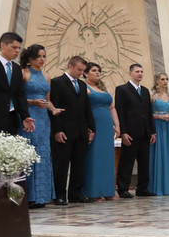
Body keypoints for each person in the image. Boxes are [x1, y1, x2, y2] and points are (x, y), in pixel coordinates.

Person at [48, 56, 95, 205]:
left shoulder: (81, 85)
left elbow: (86, 107)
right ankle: (59, 194)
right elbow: (53, 107)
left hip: (81, 131)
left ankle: (76, 193)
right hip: (64, 130)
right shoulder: (57, 82)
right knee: (61, 164)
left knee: (79, 163)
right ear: (70, 66)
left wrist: (91, 128)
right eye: (79, 70)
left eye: (83, 70)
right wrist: (57, 130)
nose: (81, 73)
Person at [20, 45, 58, 208]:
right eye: (38, 56)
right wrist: (32, 102)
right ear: (29, 58)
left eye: (44, 56)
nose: (42, 59)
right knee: (29, 153)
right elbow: (18, 97)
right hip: (28, 115)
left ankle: (42, 196)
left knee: (42, 154)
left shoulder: (47, 75)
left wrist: (54, 109)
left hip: (43, 119)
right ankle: (29, 196)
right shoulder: (23, 73)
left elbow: (47, 100)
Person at [0, 32, 35, 135]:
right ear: (3, 45)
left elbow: (20, 94)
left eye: (19, 48)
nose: (17, 51)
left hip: (12, 118)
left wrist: (25, 116)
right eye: (14, 47)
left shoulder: (17, 68)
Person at [114, 63, 156, 198]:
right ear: (130, 73)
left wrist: (152, 131)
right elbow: (120, 111)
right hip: (130, 132)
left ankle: (143, 188)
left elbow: (149, 112)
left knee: (144, 162)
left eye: (142, 71)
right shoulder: (122, 89)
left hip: (144, 131)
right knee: (127, 161)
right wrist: (123, 132)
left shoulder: (144, 90)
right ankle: (123, 188)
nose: (140, 74)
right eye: (137, 71)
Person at [82, 62, 119, 201]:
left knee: (107, 158)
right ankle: (93, 191)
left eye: (99, 70)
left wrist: (117, 125)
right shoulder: (83, 87)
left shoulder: (102, 88)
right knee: (94, 157)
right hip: (94, 125)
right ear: (85, 73)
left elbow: (112, 107)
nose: (98, 73)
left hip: (107, 126)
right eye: (94, 70)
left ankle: (108, 190)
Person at [148, 73, 169, 196]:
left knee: (168, 154)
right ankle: (157, 186)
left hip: (167, 127)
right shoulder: (152, 95)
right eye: (162, 79)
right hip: (157, 126)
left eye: (167, 79)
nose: (165, 81)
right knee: (157, 154)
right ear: (157, 81)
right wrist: (160, 116)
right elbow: (147, 113)